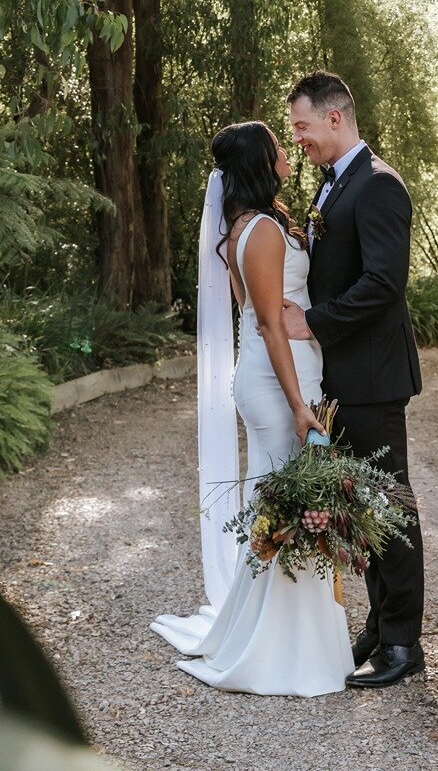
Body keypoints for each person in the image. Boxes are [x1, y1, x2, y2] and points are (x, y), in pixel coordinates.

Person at [151, 120, 353, 696]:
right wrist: (297, 404)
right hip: (277, 379)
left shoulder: (246, 224)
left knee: (279, 496)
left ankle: (279, 633)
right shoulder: (261, 230)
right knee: (292, 499)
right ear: (260, 164)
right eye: (277, 148)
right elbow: (267, 323)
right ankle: (282, 648)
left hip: (275, 374)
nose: (287, 153)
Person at [283, 69, 425, 689]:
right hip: (342, 375)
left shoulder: (378, 186)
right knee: (363, 506)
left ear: (335, 118)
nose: (299, 139)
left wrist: (313, 323)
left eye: (304, 126)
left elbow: (384, 283)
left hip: (371, 374)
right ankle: (377, 624)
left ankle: (402, 641)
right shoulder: (331, 186)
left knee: (389, 507)